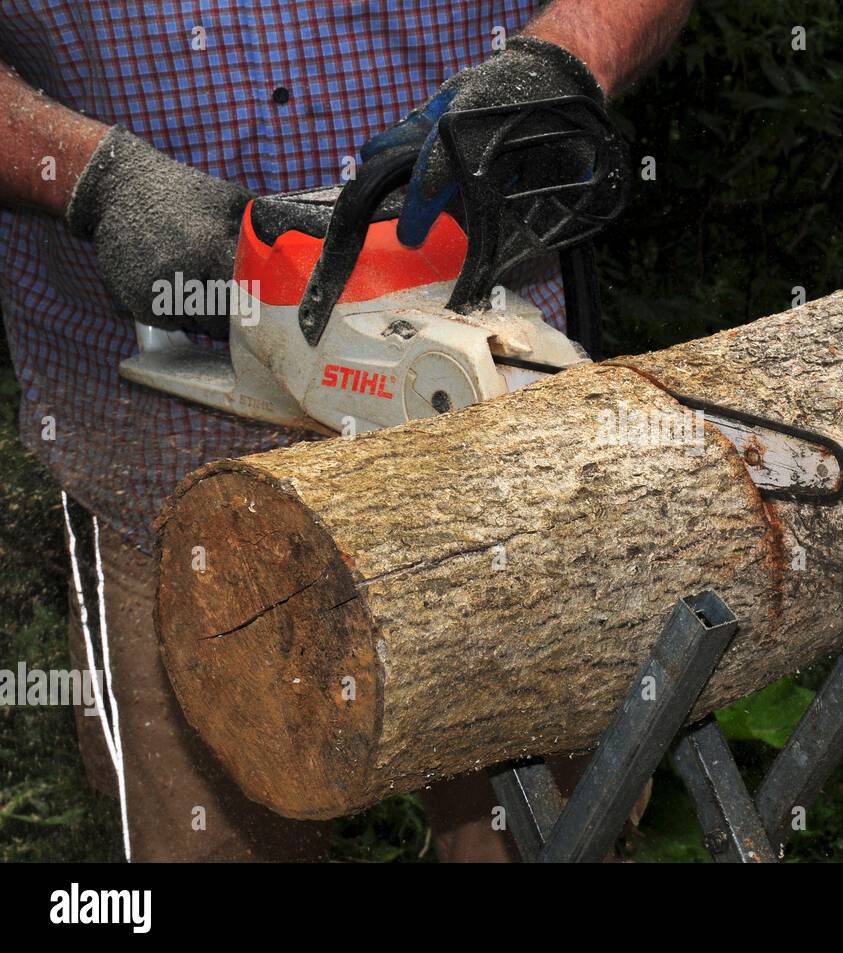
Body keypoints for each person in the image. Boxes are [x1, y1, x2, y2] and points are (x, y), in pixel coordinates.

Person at [0, 0, 692, 862]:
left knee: (543, 832)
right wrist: (87, 177)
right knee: (210, 841)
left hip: (493, 433)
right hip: (155, 458)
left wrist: (559, 64)